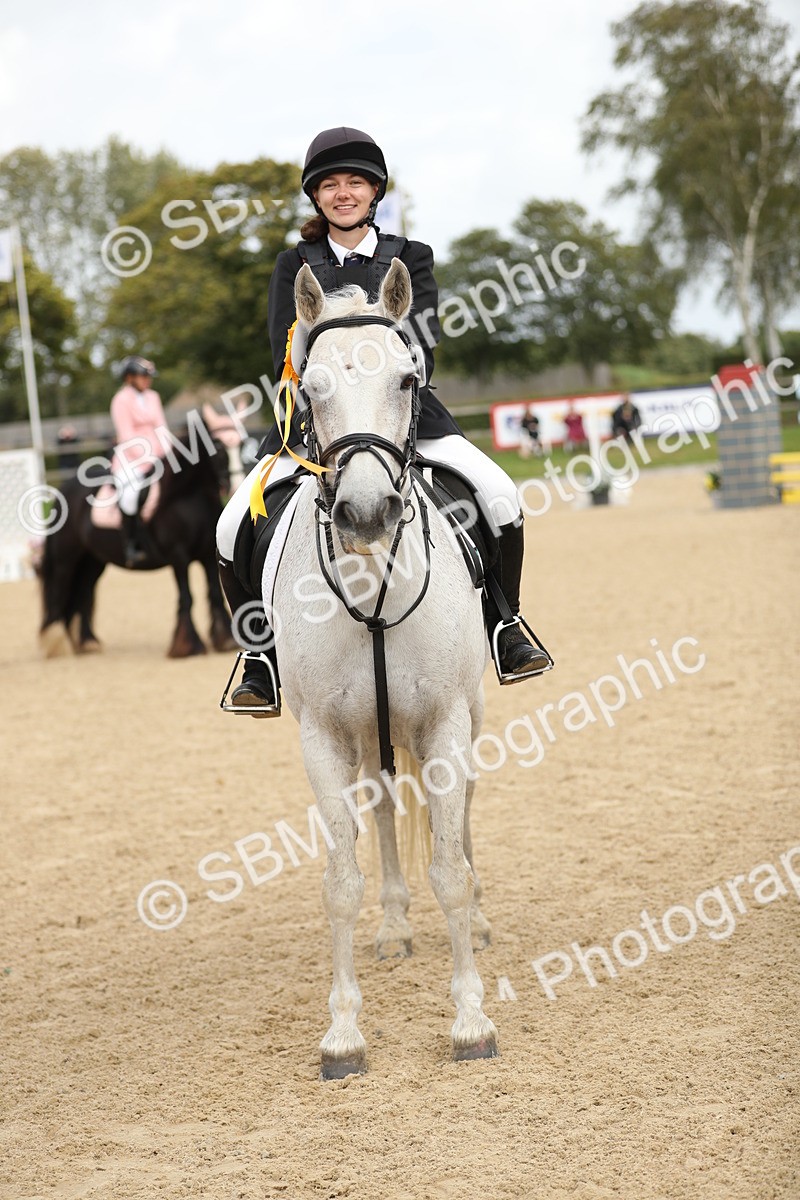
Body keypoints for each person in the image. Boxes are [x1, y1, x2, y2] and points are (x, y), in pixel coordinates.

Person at [216, 126, 550, 715]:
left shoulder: (410, 256)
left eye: (355, 183)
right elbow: (282, 354)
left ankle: (506, 624)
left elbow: (423, 344)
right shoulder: (293, 264)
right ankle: (260, 657)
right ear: (316, 196)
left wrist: (382, 378)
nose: (343, 193)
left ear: (374, 192)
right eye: (330, 185)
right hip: (316, 423)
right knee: (231, 524)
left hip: (405, 414)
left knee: (499, 495)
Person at [109, 356, 167, 567]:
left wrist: (168, 453)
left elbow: (161, 427)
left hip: (159, 454)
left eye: (148, 376)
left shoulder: (153, 396)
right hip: (131, 459)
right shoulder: (120, 400)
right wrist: (149, 459)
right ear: (129, 378)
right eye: (143, 376)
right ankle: (131, 544)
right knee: (130, 495)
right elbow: (125, 435)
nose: (147, 380)